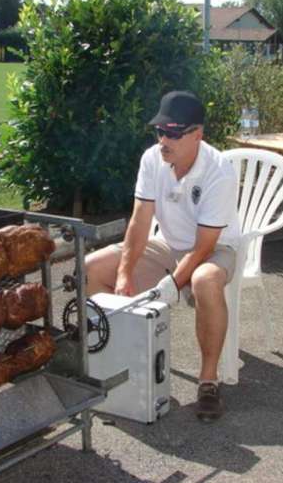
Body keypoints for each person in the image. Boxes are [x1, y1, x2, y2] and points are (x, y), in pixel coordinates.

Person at [86, 90, 240, 422]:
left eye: (173, 133)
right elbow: (140, 221)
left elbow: (203, 247)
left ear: (197, 134)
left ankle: (209, 381)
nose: (163, 140)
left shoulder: (220, 171)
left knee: (204, 279)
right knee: (92, 268)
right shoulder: (152, 159)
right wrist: (125, 272)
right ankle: (115, 365)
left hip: (216, 249)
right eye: (159, 131)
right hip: (169, 245)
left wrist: (172, 284)